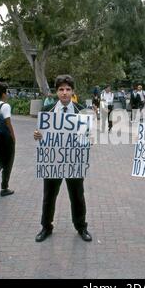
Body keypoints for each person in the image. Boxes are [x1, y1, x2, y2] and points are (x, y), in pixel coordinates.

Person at [33, 74, 92, 243]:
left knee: (78, 195)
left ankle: (81, 227)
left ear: (73, 91)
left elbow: (86, 137)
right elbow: (42, 135)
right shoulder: (47, 111)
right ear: (56, 92)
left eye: (67, 89)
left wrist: (89, 138)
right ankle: (46, 226)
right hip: (53, 161)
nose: (64, 93)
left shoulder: (81, 111)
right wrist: (37, 135)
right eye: (61, 89)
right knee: (49, 196)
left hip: (74, 161)